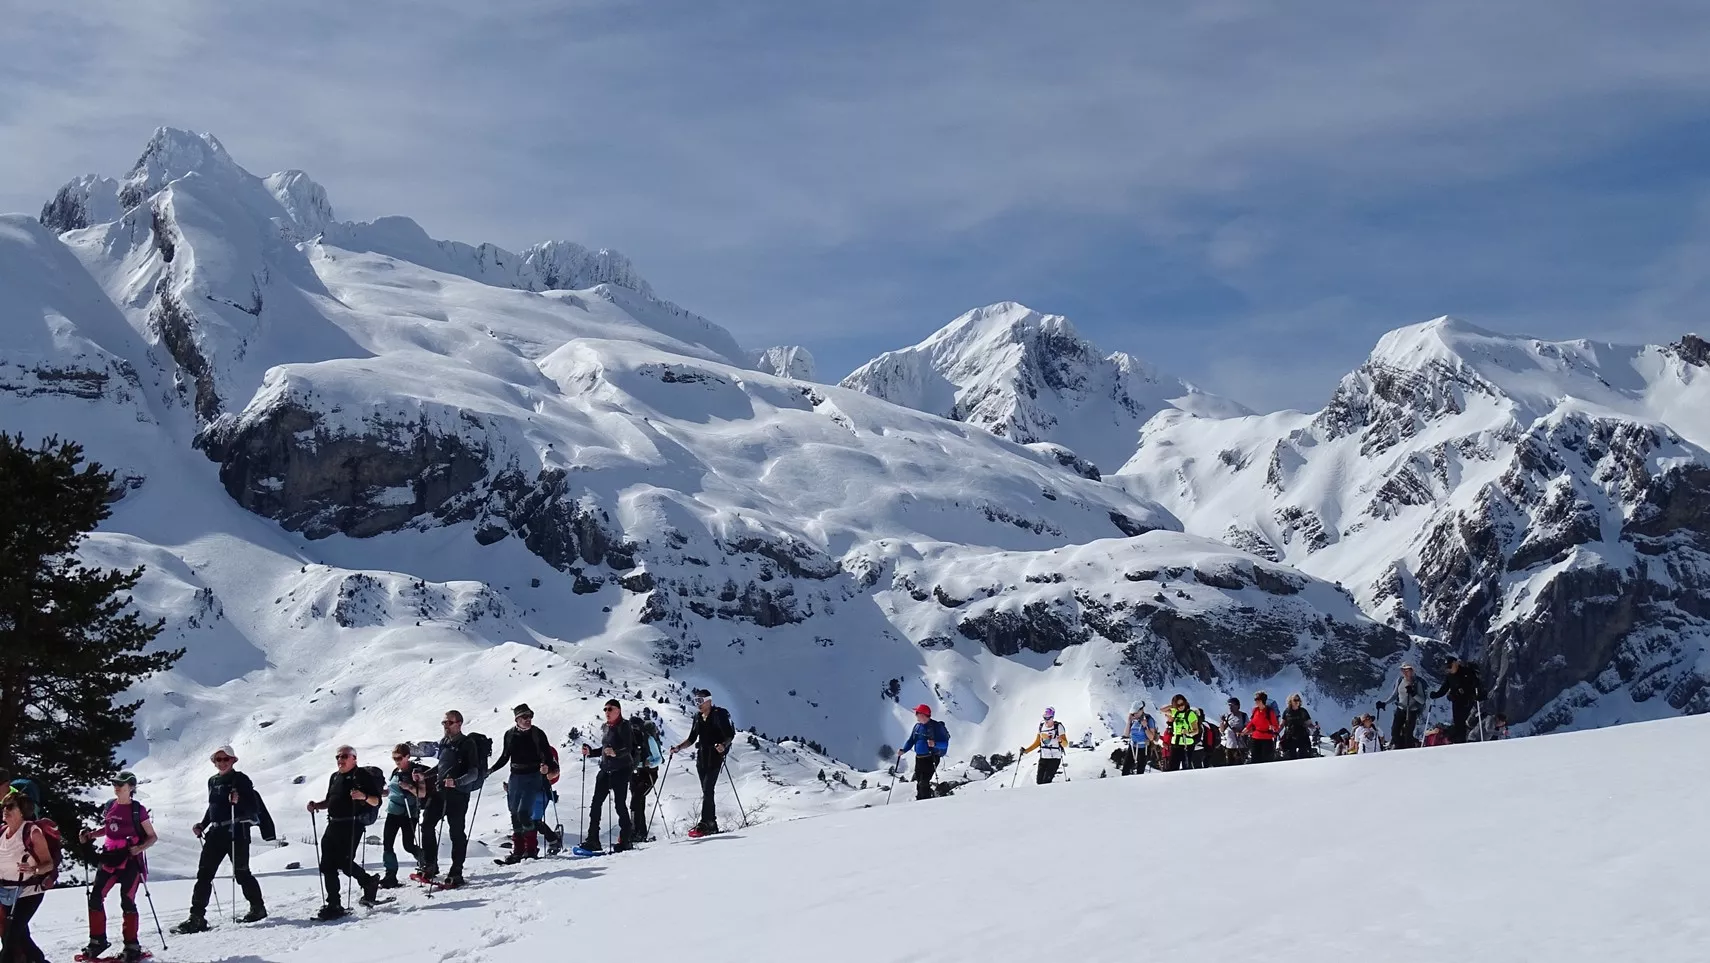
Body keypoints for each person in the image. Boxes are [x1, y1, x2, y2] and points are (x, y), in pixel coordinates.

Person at [175, 746, 272, 933]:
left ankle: (258, 907)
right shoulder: (212, 781)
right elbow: (213, 807)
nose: (222, 762)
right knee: (204, 874)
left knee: (241, 873)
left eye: (225, 759)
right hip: (217, 832)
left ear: (233, 760)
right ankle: (196, 917)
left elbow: (253, 807)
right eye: (218, 759)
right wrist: (203, 824)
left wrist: (238, 800)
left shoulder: (241, 779)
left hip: (238, 831)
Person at [80, 772, 157, 962]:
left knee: (127, 900)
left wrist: (139, 848)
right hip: (109, 857)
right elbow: (109, 829)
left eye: (120, 784)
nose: (116, 786)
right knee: (95, 897)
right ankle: (97, 941)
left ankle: (132, 946)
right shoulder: (110, 806)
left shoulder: (138, 810)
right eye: (115, 783)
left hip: (130, 860)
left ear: (131, 787)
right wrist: (91, 835)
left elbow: (152, 836)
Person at [306, 745, 383, 920]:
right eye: (338, 757)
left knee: (344, 862)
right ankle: (334, 904)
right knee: (327, 865)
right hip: (333, 824)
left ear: (354, 758)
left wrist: (363, 796)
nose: (340, 759)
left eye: (344, 756)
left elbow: (376, 801)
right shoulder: (335, 777)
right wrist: (317, 805)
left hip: (352, 825)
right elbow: (330, 800)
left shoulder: (361, 775)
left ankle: (367, 881)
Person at [491, 704, 555, 865]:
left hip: (533, 776)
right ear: (517, 719)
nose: (528, 719)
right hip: (515, 776)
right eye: (525, 717)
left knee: (523, 813)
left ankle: (531, 849)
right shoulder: (510, 734)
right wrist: (491, 770)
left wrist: (547, 767)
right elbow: (505, 756)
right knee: (514, 813)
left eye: (530, 716)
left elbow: (548, 755)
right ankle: (518, 851)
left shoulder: (538, 734)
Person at [419, 710, 475, 888]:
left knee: (456, 832)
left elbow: (474, 773)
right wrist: (425, 774)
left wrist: (456, 782)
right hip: (440, 792)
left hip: (458, 795)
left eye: (449, 723)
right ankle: (430, 864)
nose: (445, 726)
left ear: (459, 723)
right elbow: (442, 766)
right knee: (427, 825)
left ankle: (456, 870)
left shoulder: (468, 744)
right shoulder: (444, 743)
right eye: (444, 723)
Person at [670, 689, 736, 839]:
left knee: (708, 789)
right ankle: (711, 823)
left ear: (709, 701)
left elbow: (729, 734)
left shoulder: (719, 714)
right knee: (707, 791)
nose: (698, 704)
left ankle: (705, 823)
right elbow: (692, 738)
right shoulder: (698, 717)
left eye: (700, 701)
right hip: (702, 757)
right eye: (696, 701)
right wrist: (678, 748)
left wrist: (723, 745)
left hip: (715, 756)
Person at [0, 790, 55, 963]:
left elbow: (49, 864)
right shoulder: (2, 832)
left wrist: (34, 870)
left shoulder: (32, 833)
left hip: (29, 892)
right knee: (20, 936)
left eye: (10, 807)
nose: (5, 810)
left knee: (10, 936)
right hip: (6, 893)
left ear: (22, 811)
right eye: (4, 806)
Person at [581, 700, 639, 853]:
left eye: (610, 709)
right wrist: (591, 752)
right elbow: (605, 748)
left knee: (619, 805)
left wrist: (616, 753)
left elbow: (628, 747)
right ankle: (593, 839)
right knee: (596, 804)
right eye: (605, 709)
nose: (606, 712)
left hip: (621, 770)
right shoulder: (607, 727)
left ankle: (625, 840)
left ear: (618, 711)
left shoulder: (625, 726)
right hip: (606, 769)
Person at [380, 744, 426, 888]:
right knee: (387, 843)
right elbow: (391, 790)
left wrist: (409, 787)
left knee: (408, 845)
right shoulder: (396, 771)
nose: (396, 761)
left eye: (399, 758)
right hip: (393, 812)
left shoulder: (415, 772)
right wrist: (380, 792)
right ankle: (390, 875)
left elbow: (422, 793)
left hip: (409, 814)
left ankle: (427, 862)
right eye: (394, 758)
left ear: (407, 756)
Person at [898, 705, 951, 800]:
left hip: (931, 758)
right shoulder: (917, 726)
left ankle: (925, 802)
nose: (915, 715)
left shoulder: (936, 726)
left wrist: (934, 744)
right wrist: (904, 750)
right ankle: (921, 799)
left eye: (917, 713)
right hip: (919, 758)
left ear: (923, 715)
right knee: (919, 782)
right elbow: (911, 740)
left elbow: (945, 744)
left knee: (924, 782)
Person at [1432, 658, 1487, 744]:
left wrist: (1479, 694)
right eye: (1447, 667)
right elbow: (1444, 689)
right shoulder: (1450, 676)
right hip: (1456, 701)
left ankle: (1461, 741)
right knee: (1457, 721)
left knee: (1461, 721)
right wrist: (1436, 694)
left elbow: (1476, 684)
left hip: (1467, 700)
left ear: (1456, 663)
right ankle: (1459, 741)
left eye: (1450, 666)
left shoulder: (1467, 672)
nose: (1449, 669)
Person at [627, 710, 661, 842]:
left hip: (648, 774)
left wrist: (650, 763)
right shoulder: (629, 740)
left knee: (636, 800)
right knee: (638, 802)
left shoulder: (648, 739)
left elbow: (659, 758)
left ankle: (636, 832)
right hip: (635, 774)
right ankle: (640, 832)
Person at [1377, 663, 1429, 749]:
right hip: (1400, 709)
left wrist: (1413, 693)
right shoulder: (1400, 680)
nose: (1404, 672)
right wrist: (1384, 703)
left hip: (1411, 711)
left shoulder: (1417, 683)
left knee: (1408, 733)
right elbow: (1395, 695)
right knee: (1395, 731)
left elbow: (1422, 700)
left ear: (1412, 670)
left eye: (1407, 670)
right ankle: (1398, 748)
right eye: (1403, 670)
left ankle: (1408, 748)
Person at [1020, 707, 1068, 784]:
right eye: (1045, 718)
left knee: (1046, 782)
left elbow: (1065, 744)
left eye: (1048, 718)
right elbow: (1037, 743)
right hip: (1044, 757)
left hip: (1055, 758)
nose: (1046, 720)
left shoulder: (1058, 727)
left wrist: (1060, 740)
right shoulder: (1041, 727)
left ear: (1052, 717)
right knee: (1039, 782)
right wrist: (1026, 751)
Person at [1163, 695, 1203, 771]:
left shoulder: (1190, 714)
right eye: (1178, 705)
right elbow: (1162, 710)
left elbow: (1196, 730)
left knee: (1186, 767)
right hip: (1175, 743)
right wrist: (1172, 706)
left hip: (1187, 745)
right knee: (1172, 768)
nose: (1181, 706)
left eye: (1182, 704)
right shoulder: (1175, 712)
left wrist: (1188, 733)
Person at [1120, 701, 1156, 775]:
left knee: (1140, 771)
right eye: (1133, 713)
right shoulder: (1133, 720)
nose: (1135, 714)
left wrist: (1145, 726)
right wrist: (1129, 721)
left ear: (1142, 710)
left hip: (1143, 748)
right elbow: (1126, 734)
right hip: (1132, 747)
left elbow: (1151, 737)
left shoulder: (1149, 719)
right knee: (1125, 770)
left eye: (1136, 712)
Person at [1279, 694, 1314, 760]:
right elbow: (1282, 724)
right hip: (1290, 737)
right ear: (1290, 701)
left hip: (1302, 736)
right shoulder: (1286, 712)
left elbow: (1309, 723)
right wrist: (1276, 732)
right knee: (1291, 756)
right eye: (1295, 700)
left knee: (1304, 755)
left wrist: (1314, 727)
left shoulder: (1303, 711)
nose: (1297, 702)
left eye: (1298, 700)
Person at [1219, 698, 1249, 766]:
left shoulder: (1243, 716)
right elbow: (1222, 730)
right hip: (1229, 746)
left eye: (1232, 705)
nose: (1230, 707)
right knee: (1230, 765)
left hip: (1240, 746)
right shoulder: (1228, 716)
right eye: (1229, 705)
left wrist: (1241, 733)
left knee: (1239, 765)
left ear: (1237, 706)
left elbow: (1249, 728)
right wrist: (1222, 721)